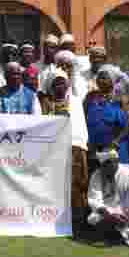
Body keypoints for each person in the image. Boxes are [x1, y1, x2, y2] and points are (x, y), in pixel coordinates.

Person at [46, 71, 88, 236]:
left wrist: (82, 144)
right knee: (59, 186)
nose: (60, 86)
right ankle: (58, 220)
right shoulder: (47, 104)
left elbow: (81, 124)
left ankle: (79, 222)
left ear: (68, 85)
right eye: (56, 83)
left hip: (76, 146)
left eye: (62, 82)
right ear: (51, 86)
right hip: (55, 149)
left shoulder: (76, 101)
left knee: (78, 184)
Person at [86, 149, 129, 245]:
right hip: (108, 212)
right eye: (105, 165)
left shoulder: (127, 172)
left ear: (117, 162)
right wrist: (110, 216)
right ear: (102, 165)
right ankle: (115, 235)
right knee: (94, 218)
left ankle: (117, 235)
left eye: (113, 162)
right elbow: (95, 200)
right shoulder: (97, 175)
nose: (109, 166)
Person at [85, 66, 129, 171]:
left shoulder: (121, 99)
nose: (100, 80)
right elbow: (84, 120)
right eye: (99, 77)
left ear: (112, 81)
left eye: (104, 78)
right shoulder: (90, 97)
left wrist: (116, 141)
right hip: (95, 149)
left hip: (115, 148)